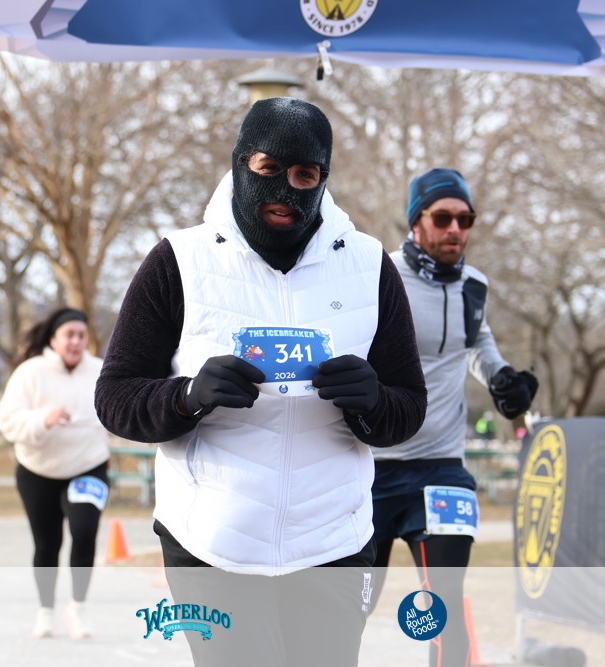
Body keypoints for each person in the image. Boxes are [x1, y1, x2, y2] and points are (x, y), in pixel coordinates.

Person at [95, 97, 427, 666]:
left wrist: (372, 402)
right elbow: (115, 396)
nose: (285, 190)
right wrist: (186, 397)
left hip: (333, 544)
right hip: (211, 544)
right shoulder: (179, 261)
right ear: (240, 162)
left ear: (324, 177)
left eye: (306, 175)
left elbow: (409, 406)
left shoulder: (370, 266)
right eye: (269, 168)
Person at [370, 167, 538, 667]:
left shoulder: (473, 286)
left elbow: (478, 347)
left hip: (443, 468)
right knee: (350, 608)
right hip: (369, 469)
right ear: (416, 220)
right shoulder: (378, 276)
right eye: (443, 217)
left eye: (466, 220)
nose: (455, 230)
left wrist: (505, 382)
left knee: (443, 610)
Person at [0, 307, 110, 640]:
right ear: (53, 339)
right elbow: (7, 422)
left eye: (81, 335)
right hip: (38, 471)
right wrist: (43, 419)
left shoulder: (100, 371)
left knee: (84, 530)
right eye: (68, 335)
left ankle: (78, 607)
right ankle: (45, 610)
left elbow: (120, 410)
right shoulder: (31, 372)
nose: (75, 342)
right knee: (47, 543)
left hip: (88, 466)